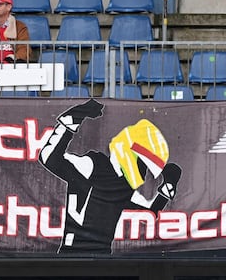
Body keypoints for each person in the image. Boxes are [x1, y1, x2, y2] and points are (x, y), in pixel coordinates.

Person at [39, 99, 181, 254]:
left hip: (102, 259)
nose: (143, 171)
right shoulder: (94, 165)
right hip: (73, 256)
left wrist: (168, 186)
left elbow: (148, 213)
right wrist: (74, 116)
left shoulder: (123, 185)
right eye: (142, 163)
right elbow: (49, 158)